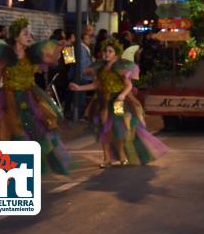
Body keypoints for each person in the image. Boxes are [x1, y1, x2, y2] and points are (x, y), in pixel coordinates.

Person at [0, 18, 70, 174]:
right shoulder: (6, 55)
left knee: (36, 133)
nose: (29, 37)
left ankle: (27, 168)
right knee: (13, 134)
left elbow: (52, 59)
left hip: (30, 98)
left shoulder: (33, 55)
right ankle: (12, 170)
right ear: (16, 37)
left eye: (30, 34)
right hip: (8, 100)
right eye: (25, 34)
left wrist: (59, 48)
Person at [69, 38, 169, 168]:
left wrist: (121, 95)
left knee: (120, 129)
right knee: (105, 130)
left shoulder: (120, 67)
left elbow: (128, 85)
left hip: (118, 103)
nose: (106, 54)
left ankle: (122, 155)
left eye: (110, 51)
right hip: (103, 102)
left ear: (116, 54)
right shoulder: (100, 68)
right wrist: (79, 88)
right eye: (105, 51)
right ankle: (106, 158)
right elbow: (97, 84)